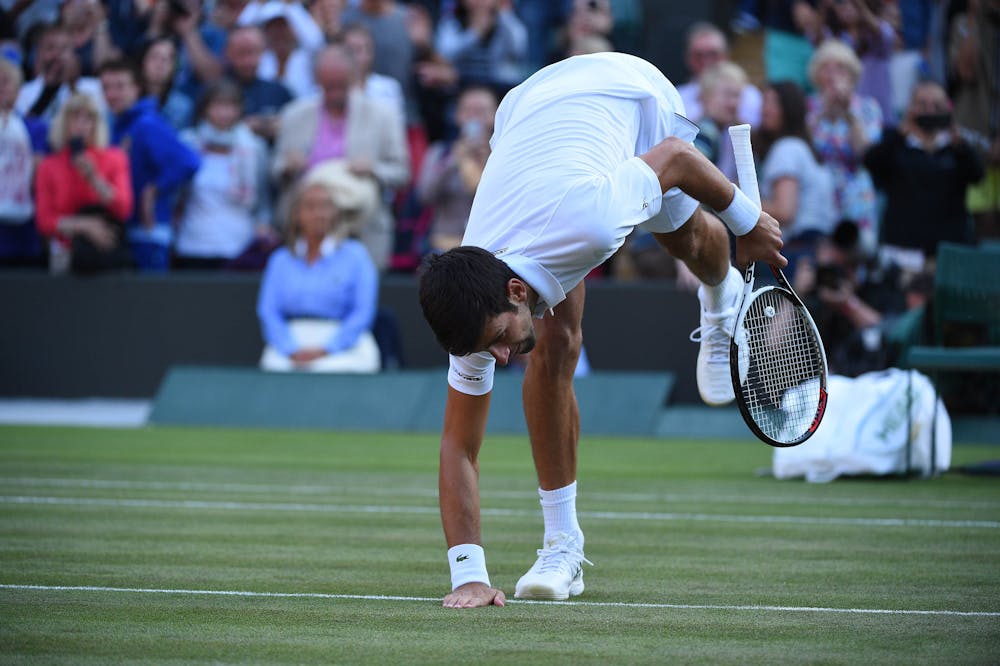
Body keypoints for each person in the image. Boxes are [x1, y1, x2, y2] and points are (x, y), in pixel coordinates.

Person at [417, 52, 785, 609]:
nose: (499, 354)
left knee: (679, 239)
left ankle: (721, 297)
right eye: (488, 347)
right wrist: (467, 573)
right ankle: (562, 547)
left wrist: (749, 222)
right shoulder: (471, 311)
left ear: (517, 292)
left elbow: (680, 158)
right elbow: (458, 446)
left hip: (631, 95)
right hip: (529, 112)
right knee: (553, 346)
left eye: (498, 337)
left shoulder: (589, 221)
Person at [273, 44, 409, 271]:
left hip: (362, 229)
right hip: (304, 232)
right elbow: (275, 167)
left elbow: (402, 172)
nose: (335, 93)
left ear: (355, 78)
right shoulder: (294, 115)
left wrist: (373, 168)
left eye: (341, 85)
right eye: (329, 86)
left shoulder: (383, 115)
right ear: (317, 81)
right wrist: (288, 165)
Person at [257, 180, 380, 373]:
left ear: (335, 213)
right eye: (310, 206)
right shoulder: (280, 260)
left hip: (343, 339)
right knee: (274, 365)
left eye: (326, 206)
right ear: (297, 214)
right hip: (292, 339)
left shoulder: (356, 255)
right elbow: (268, 311)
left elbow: (363, 311)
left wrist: (328, 348)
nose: (319, 214)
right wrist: (289, 348)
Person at [863, 81, 984, 269]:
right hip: (903, 253)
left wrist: (959, 143)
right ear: (910, 107)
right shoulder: (895, 143)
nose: (929, 111)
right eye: (922, 105)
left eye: (937, 106)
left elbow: (977, 175)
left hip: (948, 253)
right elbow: (871, 162)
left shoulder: (957, 148)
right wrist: (901, 133)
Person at [99, 58, 200, 271]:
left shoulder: (146, 123)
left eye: (120, 86)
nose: (112, 94)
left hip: (148, 231)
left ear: (137, 88)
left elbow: (188, 161)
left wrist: (153, 190)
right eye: (107, 87)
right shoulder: (119, 126)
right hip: (127, 229)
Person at [175, 79, 274, 269]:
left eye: (230, 106)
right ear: (204, 109)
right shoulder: (187, 143)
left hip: (239, 246)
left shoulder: (255, 148)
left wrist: (263, 226)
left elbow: (263, 200)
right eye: (218, 105)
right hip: (192, 244)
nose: (224, 113)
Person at [34, 92, 133, 273]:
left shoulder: (115, 158)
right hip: (65, 254)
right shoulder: (49, 166)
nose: (82, 125)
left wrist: (94, 178)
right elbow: (44, 221)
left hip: (106, 253)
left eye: (89, 118)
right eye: (75, 118)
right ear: (64, 123)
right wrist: (84, 226)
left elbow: (123, 209)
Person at [806, 39, 882, 253]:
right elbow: (802, 149)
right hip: (818, 192)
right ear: (816, 75)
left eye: (840, 68)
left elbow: (866, 154)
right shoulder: (808, 106)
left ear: (852, 75)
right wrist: (822, 112)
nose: (832, 74)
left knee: (856, 251)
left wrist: (849, 113)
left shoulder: (867, 108)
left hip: (855, 192)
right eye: (826, 68)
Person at [755, 80, 836, 254]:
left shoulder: (787, 148)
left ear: (790, 108)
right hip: (817, 246)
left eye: (773, 103)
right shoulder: (804, 147)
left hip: (798, 250)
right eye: (764, 102)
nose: (765, 110)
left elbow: (784, 212)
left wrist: (739, 197)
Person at [416, 85, 498, 252]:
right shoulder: (440, 153)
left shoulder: (503, 153)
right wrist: (453, 160)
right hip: (445, 243)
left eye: (481, 111)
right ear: (457, 115)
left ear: (495, 115)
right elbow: (425, 196)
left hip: (492, 244)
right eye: (468, 111)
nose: (474, 118)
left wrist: (487, 160)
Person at [434, 0, 529, 97]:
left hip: (498, 87)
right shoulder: (453, 22)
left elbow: (519, 49)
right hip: (462, 86)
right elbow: (446, 54)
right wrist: (475, 34)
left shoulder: (504, 22)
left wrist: (504, 15)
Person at [675, 21, 762, 126]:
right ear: (688, 59)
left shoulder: (750, 94)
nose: (706, 61)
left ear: (726, 54)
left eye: (713, 54)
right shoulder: (678, 96)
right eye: (699, 55)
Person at [0, 56, 43, 266]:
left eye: (6, 81)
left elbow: (40, 171)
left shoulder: (35, 127)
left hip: (23, 228)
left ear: (18, 90)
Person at [223, 25, 293, 144]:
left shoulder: (279, 91)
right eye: (241, 53)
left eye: (253, 52)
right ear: (228, 53)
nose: (248, 61)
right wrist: (246, 127)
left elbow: (297, 125)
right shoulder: (216, 92)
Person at [139, 36, 194, 131]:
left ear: (175, 67)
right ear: (143, 61)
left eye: (167, 59)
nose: (159, 64)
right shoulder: (127, 100)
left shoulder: (183, 105)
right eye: (154, 57)